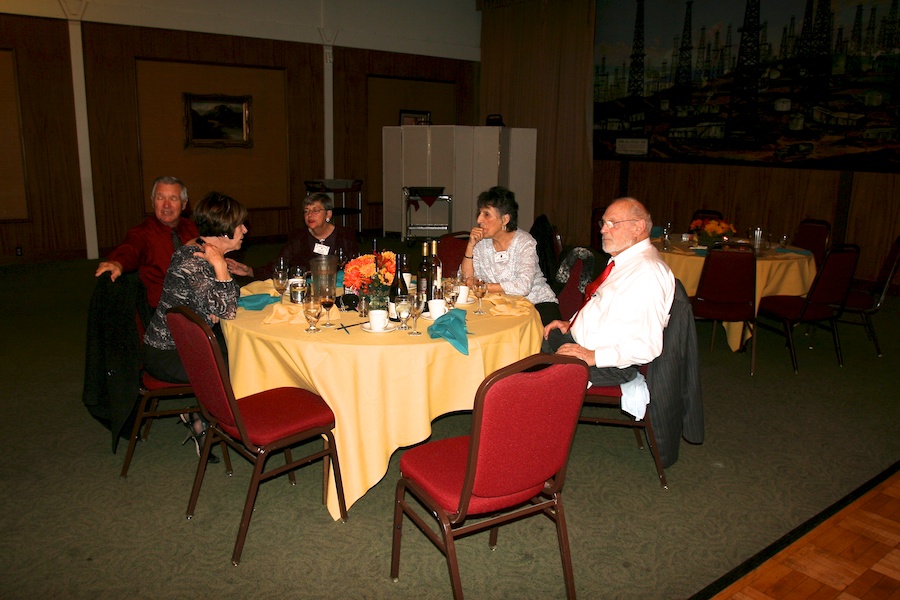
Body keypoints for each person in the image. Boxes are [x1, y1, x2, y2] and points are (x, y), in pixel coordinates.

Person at [142, 191, 247, 457]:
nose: (245, 230)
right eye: (239, 225)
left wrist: (217, 293)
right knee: (240, 365)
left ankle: (204, 418)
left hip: (191, 344)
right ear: (224, 232)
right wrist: (221, 269)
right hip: (167, 352)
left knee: (240, 354)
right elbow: (227, 310)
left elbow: (223, 304)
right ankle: (231, 427)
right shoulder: (194, 260)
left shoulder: (202, 253)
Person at [542, 197, 675, 388]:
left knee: (523, 373)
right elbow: (603, 308)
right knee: (528, 342)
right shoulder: (624, 261)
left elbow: (648, 345)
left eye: (612, 223)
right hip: (584, 345)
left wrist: (593, 356)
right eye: (603, 223)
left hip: (608, 364)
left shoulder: (647, 273)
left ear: (638, 227)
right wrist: (571, 323)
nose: (603, 230)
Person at [460, 186, 560, 325]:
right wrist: (470, 246)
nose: (479, 219)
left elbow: (523, 287)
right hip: (501, 306)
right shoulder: (481, 243)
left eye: (486, 214)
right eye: (480, 213)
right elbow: (465, 279)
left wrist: (483, 287)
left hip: (536, 303)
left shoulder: (525, 242)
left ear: (505, 219)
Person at [94, 176, 198, 308]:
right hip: (167, 311)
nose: (166, 205)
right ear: (153, 201)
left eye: (173, 198)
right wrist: (118, 262)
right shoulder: (142, 234)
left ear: (184, 204)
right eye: (160, 198)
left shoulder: (194, 229)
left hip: (198, 302)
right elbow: (130, 249)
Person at [226, 192, 358, 281]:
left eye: (315, 211)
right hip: (306, 294)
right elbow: (280, 265)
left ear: (328, 215)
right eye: (306, 211)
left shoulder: (345, 235)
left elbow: (356, 268)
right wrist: (250, 271)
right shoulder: (298, 237)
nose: (309, 215)